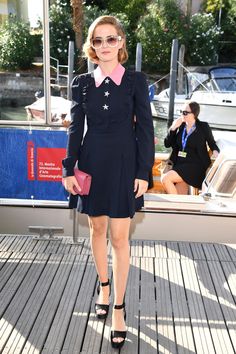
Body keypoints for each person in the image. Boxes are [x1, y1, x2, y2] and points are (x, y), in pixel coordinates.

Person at [62, 15, 154, 349]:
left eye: (111, 39)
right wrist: (69, 168)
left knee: (119, 237)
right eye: (98, 40)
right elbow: (75, 128)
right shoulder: (82, 82)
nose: (104, 46)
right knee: (96, 230)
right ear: (91, 45)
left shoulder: (135, 81)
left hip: (125, 166)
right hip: (92, 163)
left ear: (121, 42)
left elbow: (145, 129)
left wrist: (144, 172)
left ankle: (118, 307)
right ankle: (103, 286)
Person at [161, 101, 220, 194]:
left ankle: (174, 206)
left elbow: (212, 143)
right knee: (180, 195)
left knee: (165, 179)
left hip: (196, 165)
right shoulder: (180, 126)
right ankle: (177, 207)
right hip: (180, 163)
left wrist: (216, 153)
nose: (182, 114)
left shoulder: (203, 127)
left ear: (194, 114)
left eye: (185, 112)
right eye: (181, 112)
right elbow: (167, 144)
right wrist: (173, 128)